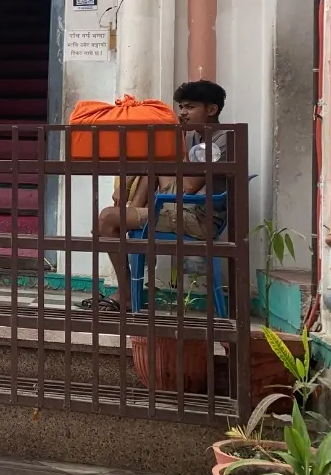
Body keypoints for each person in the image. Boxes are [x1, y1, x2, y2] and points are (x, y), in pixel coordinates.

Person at [94, 80, 230, 312]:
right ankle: (126, 216)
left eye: (190, 107)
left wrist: (169, 156)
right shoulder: (193, 136)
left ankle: (125, 294)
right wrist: (126, 184)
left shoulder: (222, 140)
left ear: (212, 109)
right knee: (154, 163)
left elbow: (189, 186)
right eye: (181, 107)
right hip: (182, 207)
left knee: (107, 218)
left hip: (198, 217)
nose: (183, 113)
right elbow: (164, 166)